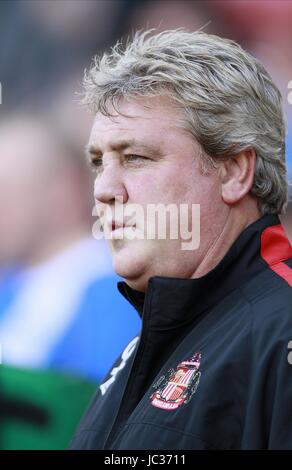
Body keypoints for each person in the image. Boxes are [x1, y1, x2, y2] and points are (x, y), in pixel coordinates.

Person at [70, 30, 292, 450]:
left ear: (233, 172)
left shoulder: (281, 333)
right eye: (99, 163)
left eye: (135, 157)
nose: (103, 190)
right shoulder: (136, 354)